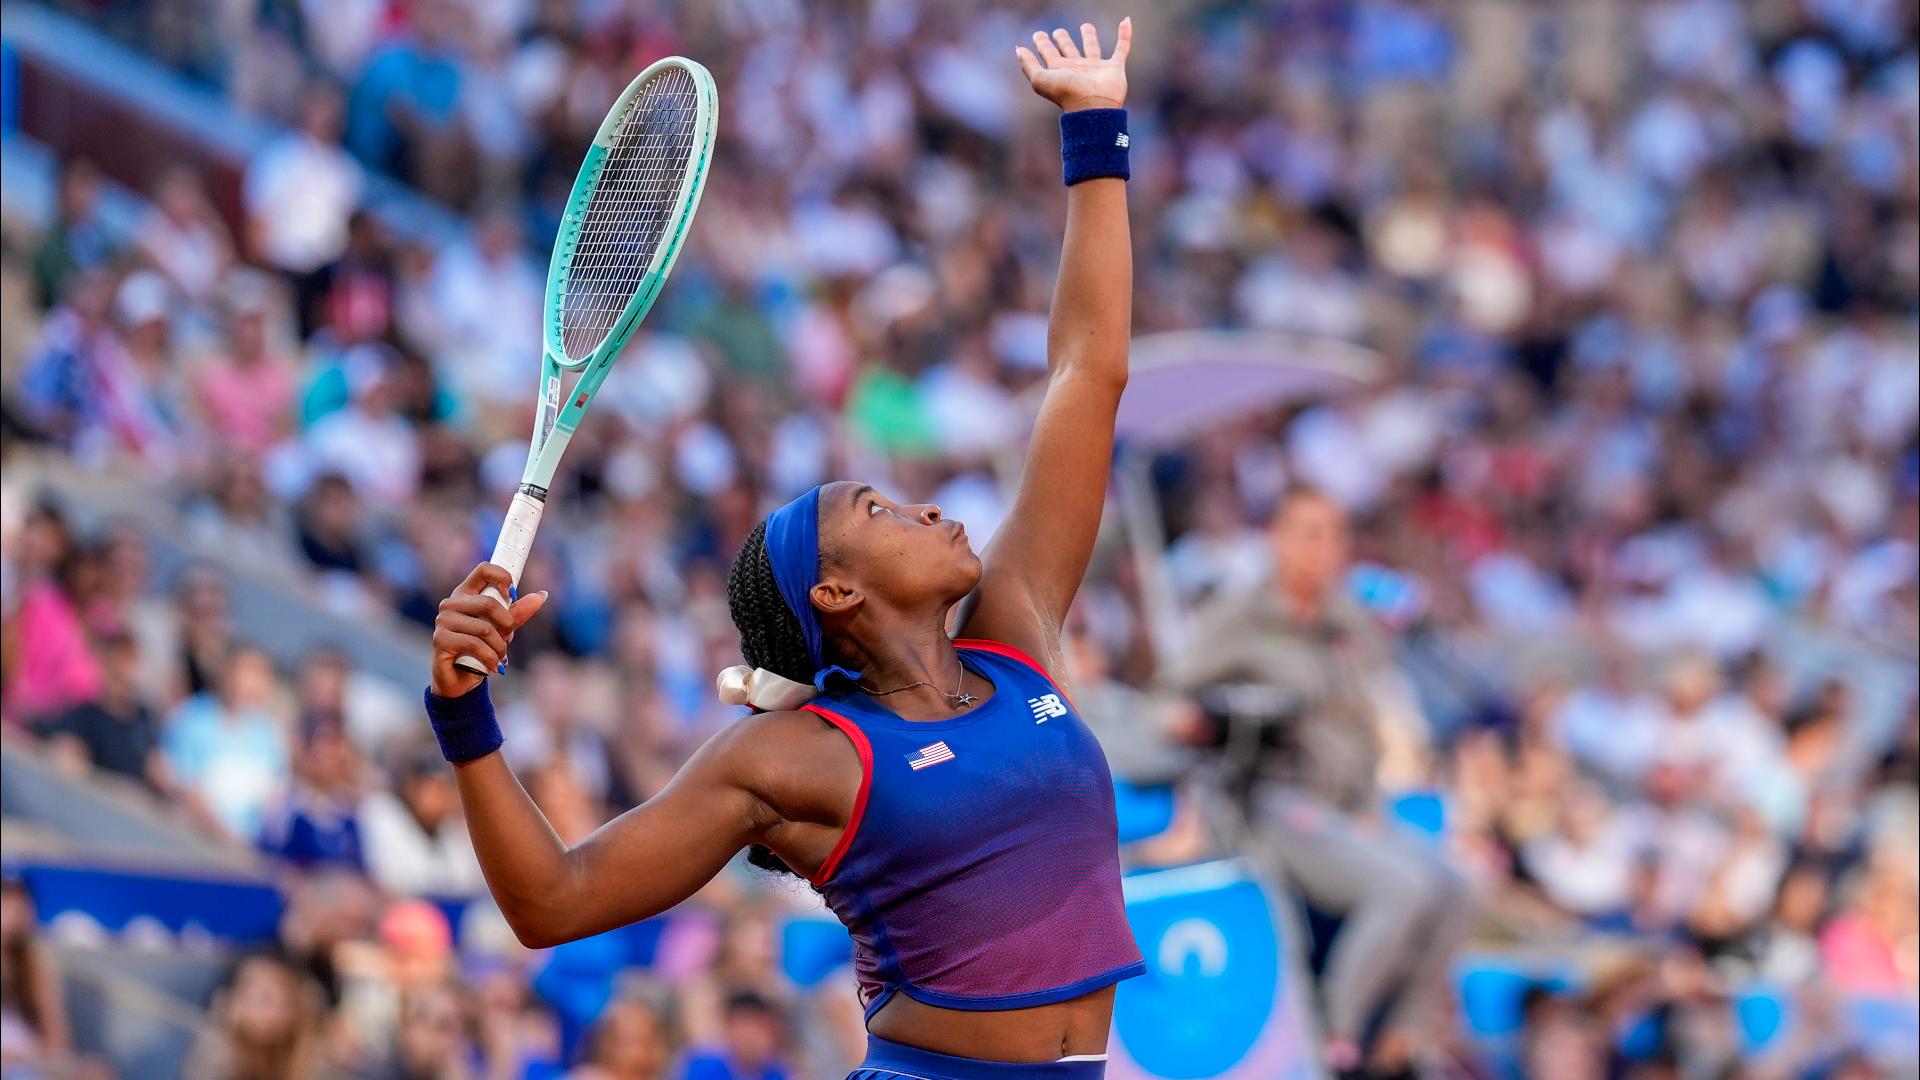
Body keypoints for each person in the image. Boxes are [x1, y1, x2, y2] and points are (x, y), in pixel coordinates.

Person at [426, 20, 1142, 1080]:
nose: (934, 513)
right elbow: (553, 901)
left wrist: (1097, 135)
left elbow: (1089, 370)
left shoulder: (1015, 634)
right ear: (836, 588)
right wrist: (463, 715)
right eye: (880, 510)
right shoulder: (792, 756)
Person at [1166, 486, 1474, 1078]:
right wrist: (1195, 717)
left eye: (1334, 534)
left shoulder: (1347, 620)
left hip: (1352, 803)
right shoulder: (1242, 615)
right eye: (1307, 532)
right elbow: (1172, 696)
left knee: (1458, 885)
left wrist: (1368, 801)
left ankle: (1402, 1039)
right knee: (1401, 887)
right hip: (1275, 800)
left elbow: (1366, 720)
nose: (1322, 548)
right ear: (1277, 539)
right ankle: (1337, 1039)